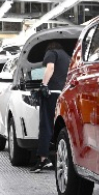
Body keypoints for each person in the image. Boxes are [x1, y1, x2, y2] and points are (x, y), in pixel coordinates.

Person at [30, 41, 70, 172]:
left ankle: (43, 159)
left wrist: (44, 85)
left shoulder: (51, 53)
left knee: (45, 125)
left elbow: (50, 68)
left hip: (51, 94)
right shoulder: (68, 57)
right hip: (62, 94)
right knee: (59, 126)